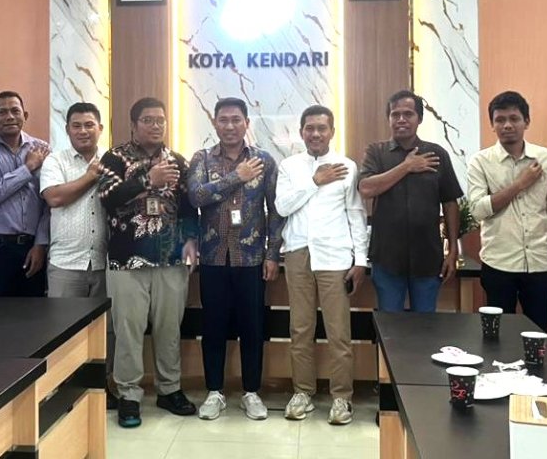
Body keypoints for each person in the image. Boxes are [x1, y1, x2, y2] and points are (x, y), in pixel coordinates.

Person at [98, 97, 199, 428]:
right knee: (128, 330)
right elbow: (108, 198)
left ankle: (169, 389)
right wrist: (147, 180)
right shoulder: (114, 158)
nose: (156, 126)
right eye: (148, 120)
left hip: (171, 259)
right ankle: (129, 394)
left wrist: (191, 240)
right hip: (127, 260)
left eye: (160, 120)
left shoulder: (178, 161)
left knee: (169, 328)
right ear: (133, 125)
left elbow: (189, 208)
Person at [186, 97, 283, 421]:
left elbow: (276, 210)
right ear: (215, 123)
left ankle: (251, 392)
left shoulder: (264, 160)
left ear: (246, 123)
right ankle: (214, 391)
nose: (230, 126)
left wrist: (272, 254)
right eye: (224, 120)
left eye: (236, 120)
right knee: (213, 326)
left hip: (251, 259)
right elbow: (196, 196)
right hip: (213, 258)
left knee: (252, 327)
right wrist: (236, 177)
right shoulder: (201, 159)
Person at [276, 105, 367, 425]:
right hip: (298, 254)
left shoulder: (347, 166)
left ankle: (342, 397)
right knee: (300, 328)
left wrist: (360, 260)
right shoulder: (289, 166)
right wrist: (315, 181)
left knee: (338, 330)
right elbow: (282, 207)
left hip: (335, 256)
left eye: (322, 128)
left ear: (332, 132)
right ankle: (303, 392)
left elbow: (356, 214)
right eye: (310, 128)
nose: (315, 133)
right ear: (301, 132)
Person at [39, 102, 115, 405]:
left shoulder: (113, 160)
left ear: (100, 128)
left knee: (105, 331)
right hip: (66, 263)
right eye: (77, 125)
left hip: (105, 262)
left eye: (89, 125)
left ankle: (101, 387)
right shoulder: (55, 161)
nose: (83, 131)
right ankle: (65, 391)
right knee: (63, 332)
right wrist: (90, 176)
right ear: (68, 129)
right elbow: (54, 198)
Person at [466, 91, 547, 332]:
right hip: (498, 262)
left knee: (539, 333)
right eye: (500, 120)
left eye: (514, 118)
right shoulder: (480, 161)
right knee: (497, 335)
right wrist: (520, 184)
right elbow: (477, 210)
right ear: (492, 124)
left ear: (526, 122)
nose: (507, 125)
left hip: (539, 262)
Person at [360, 91, 462, 313]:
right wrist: (407, 166)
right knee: (390, 324)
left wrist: (453, 250)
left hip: (427, 257)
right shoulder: (376, 152)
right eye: (395, 114)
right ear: (388, 119)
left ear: (420, 118)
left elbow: (450, 203)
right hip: (387, 257)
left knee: (425, 324)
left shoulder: (437, 154)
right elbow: (366, 188)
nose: (401, 119)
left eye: (408, 114)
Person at [0, 91, 51, 297]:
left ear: (25, 115)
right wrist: (29, 167)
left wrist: (40, 244)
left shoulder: (42, 149)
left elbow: (48, 203)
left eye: (15, 111)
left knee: (35, 310)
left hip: (32, 247)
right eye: (2, 112)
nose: (10, 117)